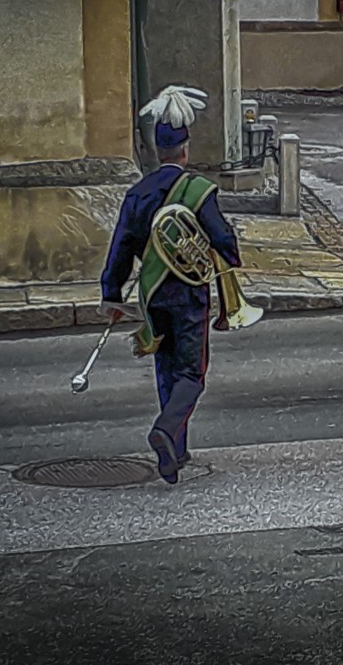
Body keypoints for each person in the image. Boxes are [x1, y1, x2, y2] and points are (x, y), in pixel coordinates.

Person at [99, 84, 242, 484]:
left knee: (165, 367)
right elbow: (222, 237)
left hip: (154, 294)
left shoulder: (137, 194)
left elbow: (121, 249)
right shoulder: (197, 191)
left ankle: (175, 452)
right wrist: (231, 260)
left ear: (154, 150)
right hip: (190, 294)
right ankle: (166, 431)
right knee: (191, 375)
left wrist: (110, 293)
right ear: (186, 148)